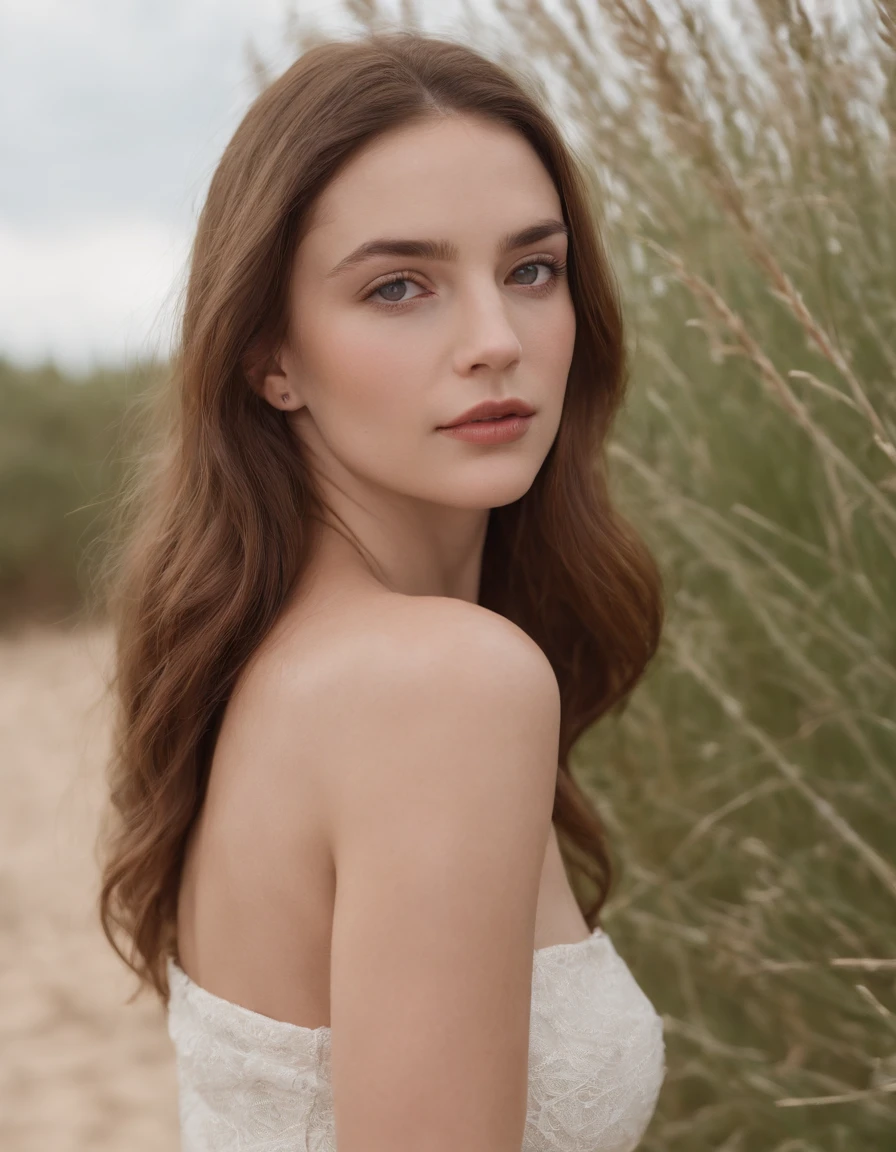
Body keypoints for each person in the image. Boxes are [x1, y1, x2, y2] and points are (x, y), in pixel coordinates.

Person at [96, 27, 667, 1152]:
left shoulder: (283, 666)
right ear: (271, 355)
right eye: (399, 286)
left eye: (530, 270)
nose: (496, 340)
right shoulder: (442, 685)